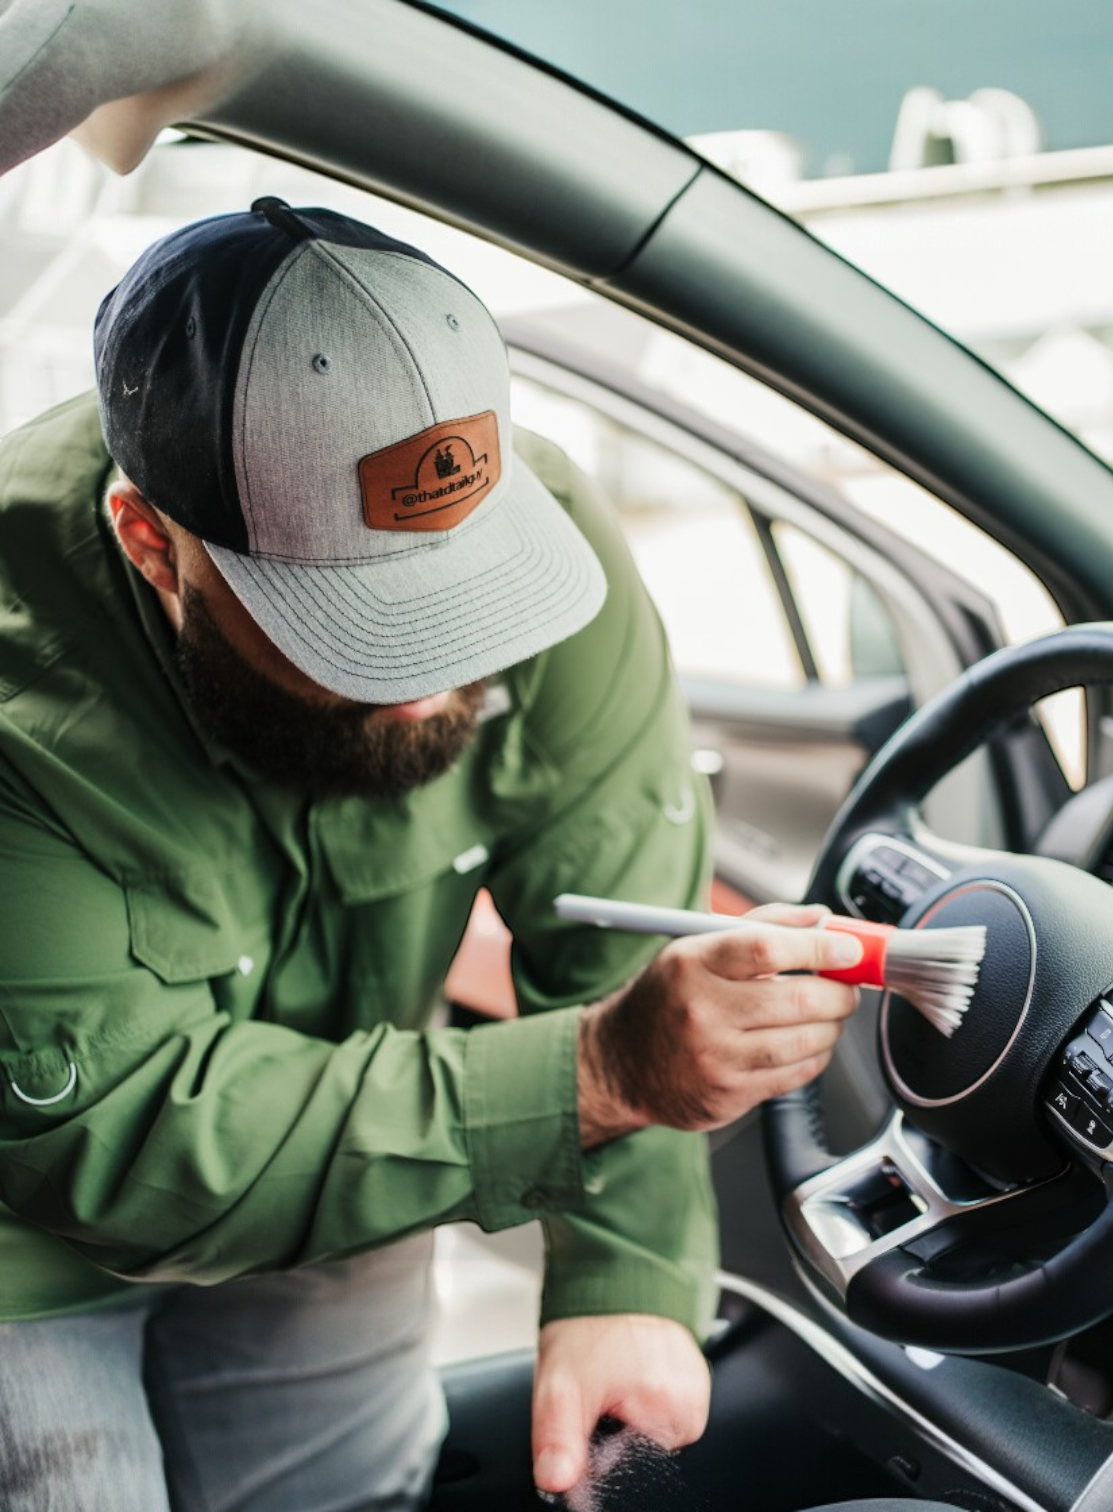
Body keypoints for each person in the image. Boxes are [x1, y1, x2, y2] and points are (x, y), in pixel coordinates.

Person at [0, 198, 872, 1510]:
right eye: (353, 618)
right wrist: (592, 1076)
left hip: (367, 1164)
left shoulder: (549, 538)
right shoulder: (20, 679)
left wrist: (623, 1272)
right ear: (153, 544)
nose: (437, 677)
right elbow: (110, 1131)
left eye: (465, 595)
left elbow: (624, 940)